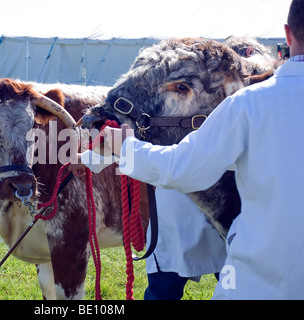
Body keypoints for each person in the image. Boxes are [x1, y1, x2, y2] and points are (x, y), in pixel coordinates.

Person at [74, 0, 304, 299]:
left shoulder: (248, 104)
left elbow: (183, 169)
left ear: (287, 34)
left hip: (260, 280)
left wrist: (121, 148)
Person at [71, 151, 226, 300]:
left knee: (164, 289)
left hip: (201, 215)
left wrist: (89, 159)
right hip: (187, 214)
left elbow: (149, 147)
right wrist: (89, 159)